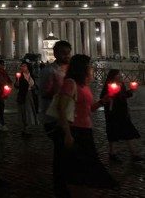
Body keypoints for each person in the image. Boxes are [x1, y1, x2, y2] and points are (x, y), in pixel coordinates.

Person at [58, 55, 119, 195]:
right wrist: (67, 134)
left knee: (85, 169)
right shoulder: (70, 83)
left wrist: (103, 101)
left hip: (86, 130)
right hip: (75, 131)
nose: (92, 68)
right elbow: (62, 109)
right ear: (82, 68)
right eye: (89, 66)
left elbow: (89, 108)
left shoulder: (84, 85)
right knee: (79, 169)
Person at [38, 40, 72, 198]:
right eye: (64, 52)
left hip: (70, 116)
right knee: (61, 152)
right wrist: (62, 93)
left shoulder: (71, 70)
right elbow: (44, 93)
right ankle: (60, 184)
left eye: (68, 52)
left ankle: (66, 181)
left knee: (67, 152)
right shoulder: (48, 71)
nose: (67, 55)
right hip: (54, 118)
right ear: (56, 53)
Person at [100, 70, 142, 162]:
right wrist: (110, 95)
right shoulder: (108, 85)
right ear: (113, 76)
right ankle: (112, 153)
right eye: (118, 74)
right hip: (112, 113)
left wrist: (131, 91)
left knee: (128, 131)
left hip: (122, 112)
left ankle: (134, 154)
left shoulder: (121, 84)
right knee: (113, 132)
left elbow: (123, 96)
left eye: (120, 74)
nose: (121, 75)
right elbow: (103, 97)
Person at [14, 60, 38, 137]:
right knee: (24, 112)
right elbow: (17, 86)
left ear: (28, 67)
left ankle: (27, 127)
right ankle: (25, 129)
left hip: (31, 95)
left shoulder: (31, 75)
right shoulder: (19, 76)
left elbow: (35, 85)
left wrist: (34, 87)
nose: (22, 67)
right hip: (23, 95)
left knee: (29, 112)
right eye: (21, 66)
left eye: (23, 66)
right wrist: (17, 83)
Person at [0, 60, 13, 132]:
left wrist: (10, 84)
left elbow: (9, 80)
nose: (3, 66)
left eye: (3, 64)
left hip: (2, 93)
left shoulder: (4, 72)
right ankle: (0, 124)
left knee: (1, 109)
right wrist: (7, 85)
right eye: (2, 65)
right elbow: (2, 81)